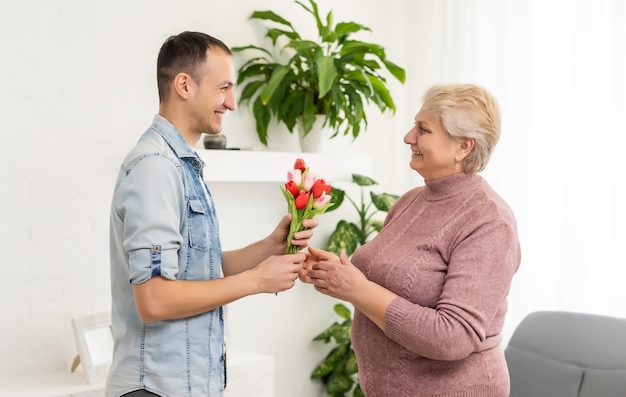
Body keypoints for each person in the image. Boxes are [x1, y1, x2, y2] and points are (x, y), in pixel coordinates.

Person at [106, 31, 317, 397]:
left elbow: (199, 270)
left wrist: (270, 247)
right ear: (184, 85)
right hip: (156, 388)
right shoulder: (156, 168)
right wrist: (257, 282)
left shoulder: (181, 166)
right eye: (224, 88)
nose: (231, 103)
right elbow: (154, 300)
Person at [304, 84, 521, 397]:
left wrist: (358, 289)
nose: (408, 137)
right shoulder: (411, 201)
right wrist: (334, 274)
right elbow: (387, 283)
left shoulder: (489, 221)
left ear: (464, 147)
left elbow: (454, 336)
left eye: (424, 129)